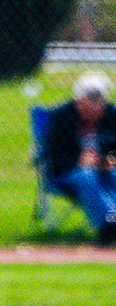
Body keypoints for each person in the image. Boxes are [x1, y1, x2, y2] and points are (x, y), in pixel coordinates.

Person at [41, 70, 116, 246]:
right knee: (87, 176)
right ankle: (107, 226)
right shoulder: (61, 117)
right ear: (79, 101)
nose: (95, 110)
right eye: (89, 103)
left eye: (99, 103)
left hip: (104, 169)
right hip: (69, 172)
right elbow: (51, 155)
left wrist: (111, 159)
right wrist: (78, 161)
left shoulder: (112, 115)